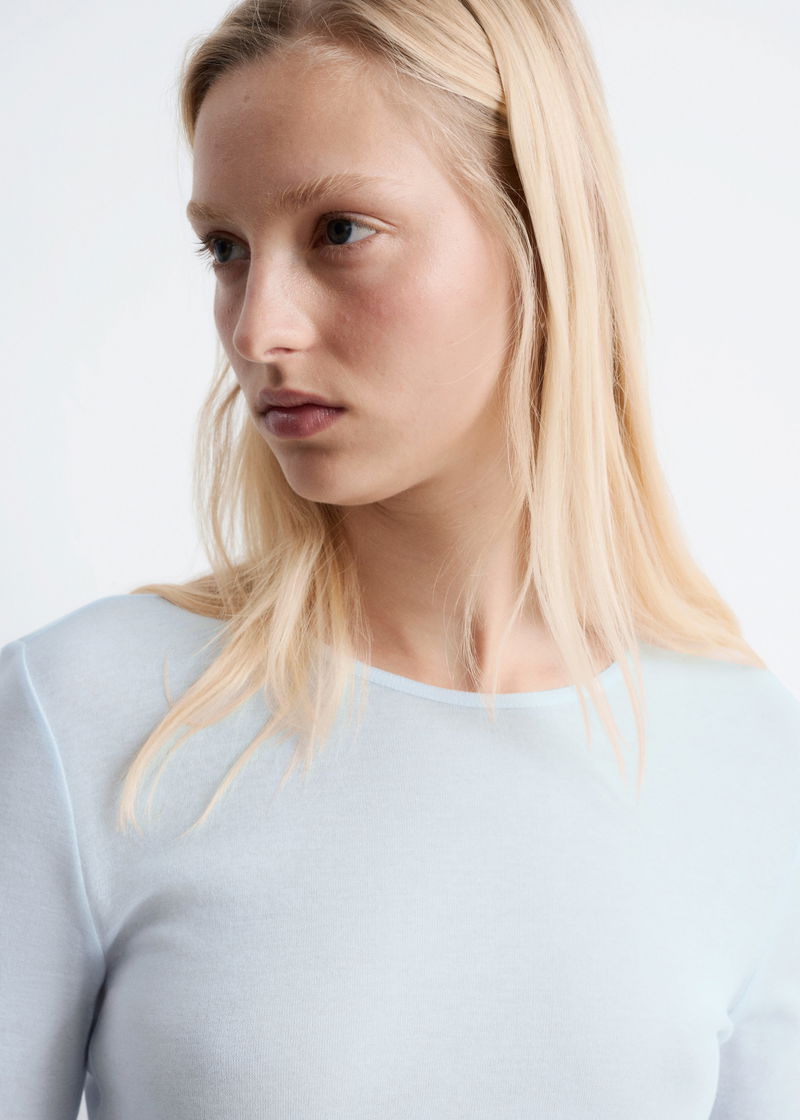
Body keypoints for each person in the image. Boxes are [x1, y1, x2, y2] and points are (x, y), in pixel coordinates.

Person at [1, 1, 798, 1117]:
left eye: (339, 231)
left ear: (539, 234)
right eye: (226, 249)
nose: (257, 330)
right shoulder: (83, 717)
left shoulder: (748, 759)